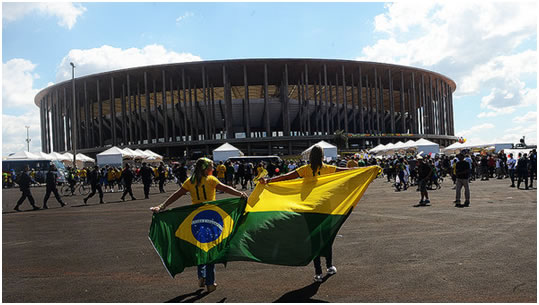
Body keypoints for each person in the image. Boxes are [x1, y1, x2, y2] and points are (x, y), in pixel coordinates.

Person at [150, 157, 247, 293]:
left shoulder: (190, 181)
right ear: (206, 169)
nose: (212, 169)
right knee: (210, 248)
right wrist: (240, 194)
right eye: (211, 167)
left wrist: (162, 206)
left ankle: (201, 275)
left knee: (199, 246)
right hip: (211, 217)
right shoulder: (211, 180)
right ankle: (210, 282)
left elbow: (176, 195)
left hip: (196, 218)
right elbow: (226, 188)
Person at [259, 145, 352, 283]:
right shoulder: (328, 168)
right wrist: (368, 170)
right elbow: (347, 172)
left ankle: (318, 272)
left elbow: (286, 177)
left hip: (310, 209)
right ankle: (330, 266)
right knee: (327, 238)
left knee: (314, 238)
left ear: (310, 156)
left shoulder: (305, 169)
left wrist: (268, 181)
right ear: (322, 156)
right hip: (326, 208)